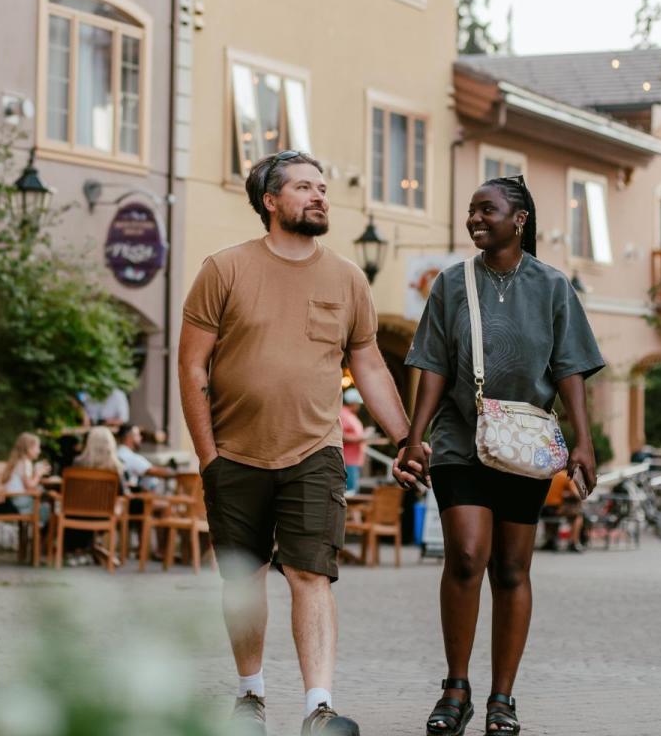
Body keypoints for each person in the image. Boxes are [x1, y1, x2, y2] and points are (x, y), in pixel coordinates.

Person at [179, 150, 416, 736]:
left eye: (322, 188)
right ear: (271, 201)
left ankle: (318, 707)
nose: (319, 197)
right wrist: (208, 455)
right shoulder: (224, 269)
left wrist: (407, 437)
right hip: (234, 453)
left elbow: (369, 367)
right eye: (305, 187)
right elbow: (191, 368)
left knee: (312, 574)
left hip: (315, 450)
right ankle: (250, 696)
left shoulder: (347, 278)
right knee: (245, 580)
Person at [398, 175, 604, 736]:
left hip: (526, 445)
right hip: (460, 443)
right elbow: (434, 365)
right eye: (471, 211)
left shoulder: (553, 287)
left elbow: (569, 369)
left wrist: (582, 442)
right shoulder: (451, 284)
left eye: (487, 210)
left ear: (520, 220)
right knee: (466, 555)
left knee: (512, 568)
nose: (475, 219)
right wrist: (414, 438)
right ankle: (456, 688)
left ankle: (502, 698)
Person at [115, 423, 171, 492]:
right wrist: (173, 472)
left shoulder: (116, 453)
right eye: (138, 435)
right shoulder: (130, 456)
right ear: (129, 437)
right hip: (131, 498)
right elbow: (154, 471)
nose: (141, 438)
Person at [338, 388, 372, 493]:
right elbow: (340, 435)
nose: (359, 406)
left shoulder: (349, 415)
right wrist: (363, 437)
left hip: (353, 460)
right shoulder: (343, 414)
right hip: (347, 460)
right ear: (353, 403)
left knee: (352, 492)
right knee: (349, 494)